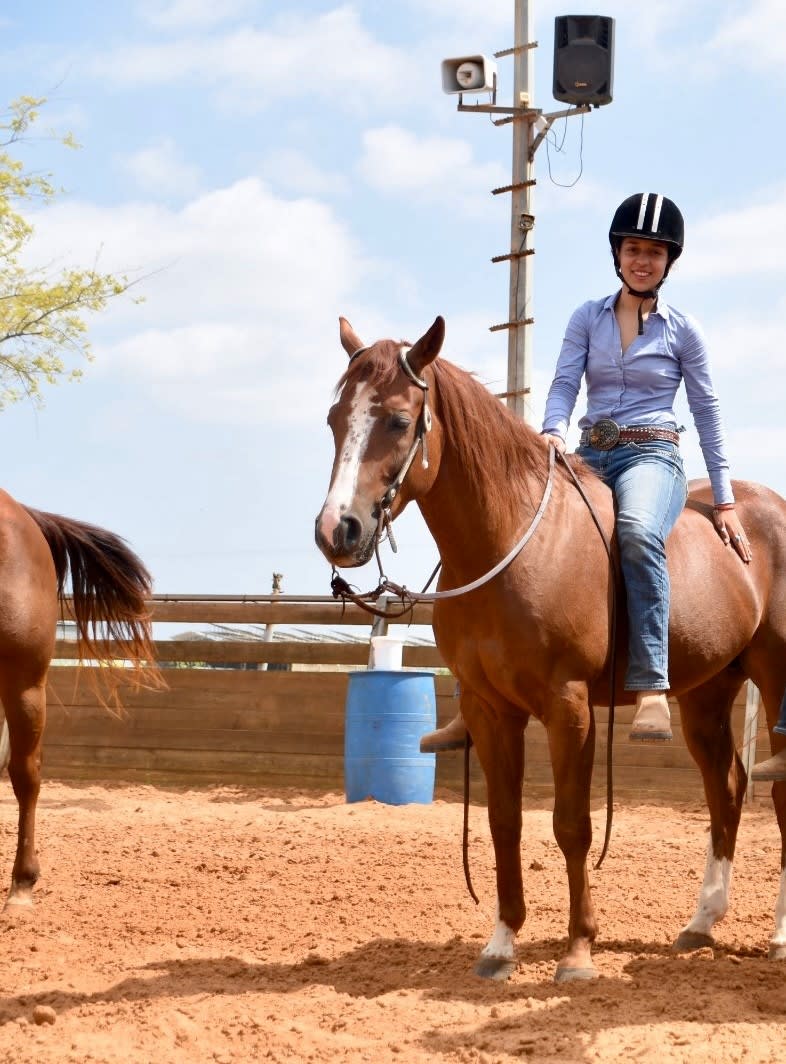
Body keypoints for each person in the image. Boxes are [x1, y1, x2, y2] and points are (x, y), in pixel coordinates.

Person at [421, 191, 752, 754]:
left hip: (652, 455)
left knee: (639, 534)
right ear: (617, 254)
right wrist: (552, 429)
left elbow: (707, 412)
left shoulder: (683, 332)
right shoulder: (586, 317)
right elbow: (565, 382)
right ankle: (470, 693)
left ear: (669, 261)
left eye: (653, 252)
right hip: (590, 453)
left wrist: (724, 500)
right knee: (500, 533)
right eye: (632, 249)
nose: (641, 260)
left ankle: (649, 682)